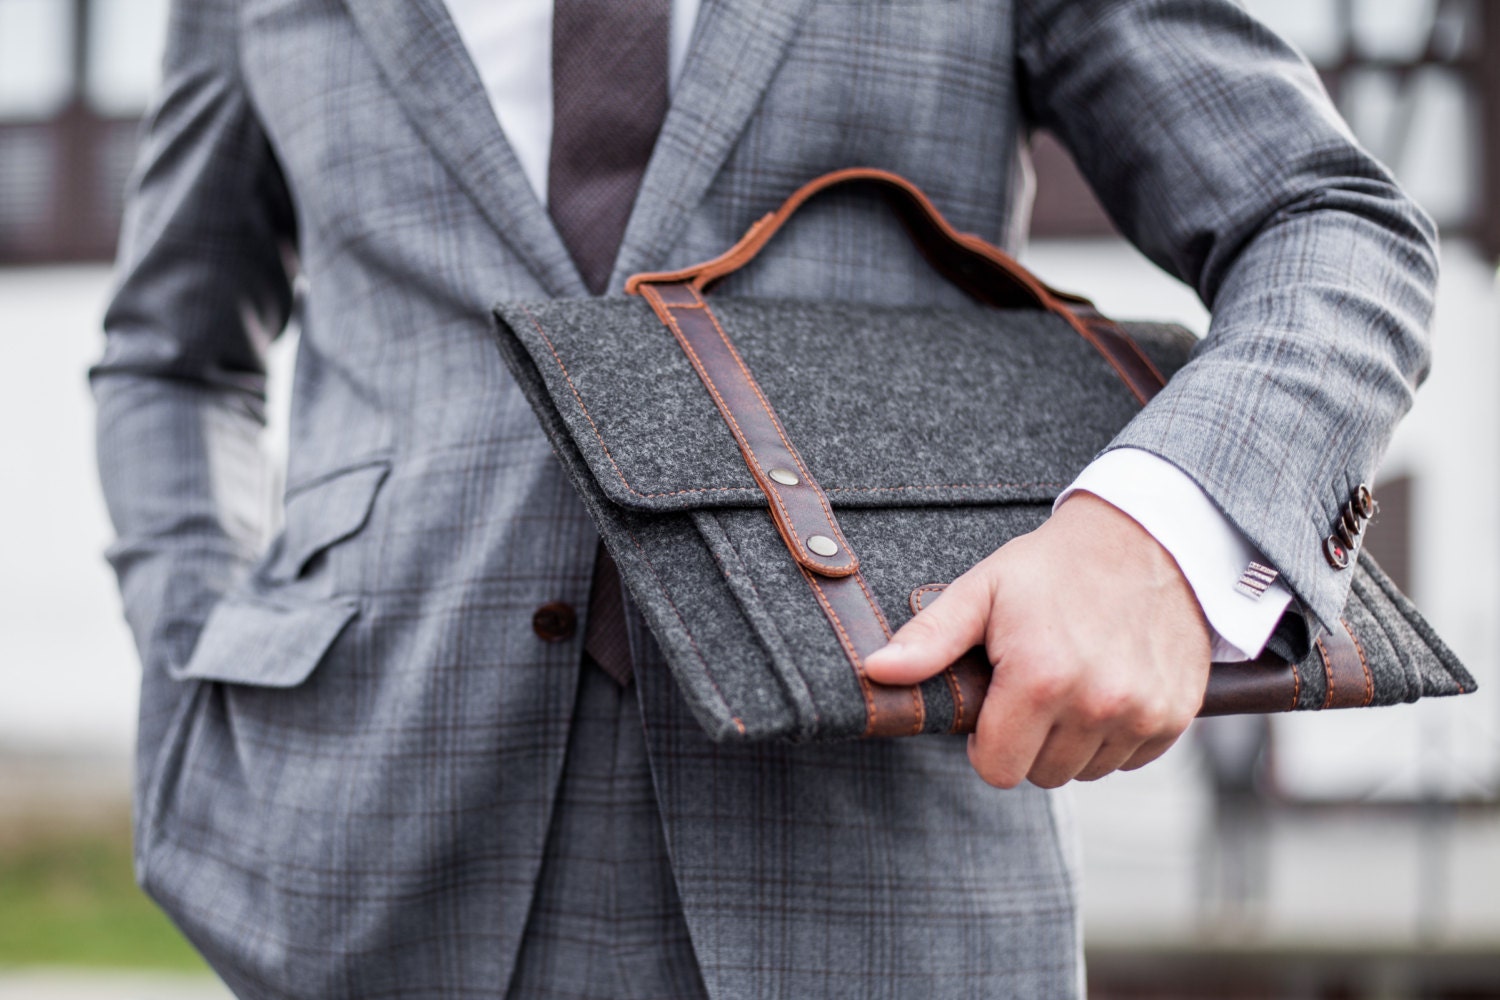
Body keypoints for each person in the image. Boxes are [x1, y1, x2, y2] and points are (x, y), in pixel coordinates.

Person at [92, 0, 1435, 997]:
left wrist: (1150, 532)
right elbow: (171, 351)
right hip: (369, 838)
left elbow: (1325, 225)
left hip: (874, 847)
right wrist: (187, 679)